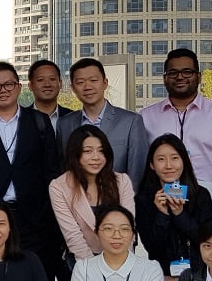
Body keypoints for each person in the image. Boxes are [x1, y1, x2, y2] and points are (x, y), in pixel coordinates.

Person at [0, 61, 63, 281]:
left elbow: (51, 170)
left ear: (18, 88)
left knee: (36, 276)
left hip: (34, 218)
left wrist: (49, 212)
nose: (3, 90)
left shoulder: (39, 121)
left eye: (8, 84)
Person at [140, 48, 212, 211]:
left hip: (211, 205)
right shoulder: (145, 117)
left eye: (187, 72)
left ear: (199, 76)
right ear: (165, 78)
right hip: (159, 207)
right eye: (173, 72)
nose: (180, 77)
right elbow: (139, 164)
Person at [49, 125, 135, 263]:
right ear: (75, 155)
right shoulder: (59, 186)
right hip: (82, 260)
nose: (96, 157)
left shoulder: (122, 181)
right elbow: (73, 236)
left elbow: (129, 227)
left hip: (120, 258)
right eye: (88, 151)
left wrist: (121, 264)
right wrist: (93, 271)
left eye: (101, 151)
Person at [135, 134, 212, 281]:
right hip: (161, 280)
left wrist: (180, 214)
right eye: (161, 159)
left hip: (200, 278)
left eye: (175, 158)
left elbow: (208, 240)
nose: (168, 165)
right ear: (151, 164)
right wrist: (163, 214)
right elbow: (152, 247)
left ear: (184, 160)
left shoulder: (201, 195)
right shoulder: (143, 199)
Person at [57, 58, 149, 186]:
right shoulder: (65, 124)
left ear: (105, 83)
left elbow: (137, 171)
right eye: (80, 82)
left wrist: (126, 203)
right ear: (73, 88)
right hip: (77, 201)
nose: (87, 87)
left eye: (93, 80)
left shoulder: (131, 121)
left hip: (118, 201)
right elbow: (64, 168)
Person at [26, 59, 73, 134]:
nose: (47, 84)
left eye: (52, 79)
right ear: (30, 86)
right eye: (40, 80)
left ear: (60, 83)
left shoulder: (73, 118)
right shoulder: (21, 118)